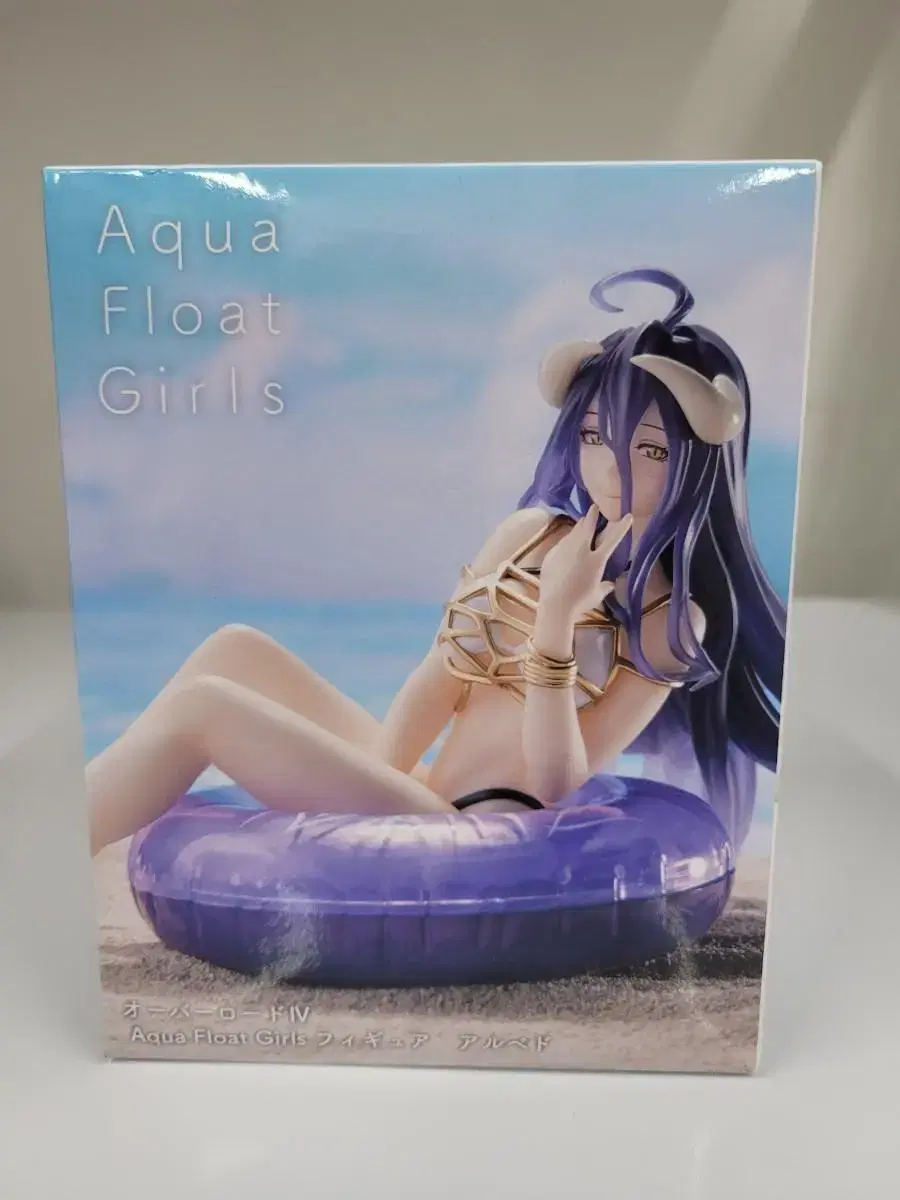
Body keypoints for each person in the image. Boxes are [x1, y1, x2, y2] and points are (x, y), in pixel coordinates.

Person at [87, 267, 784, 858]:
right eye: (596, 436)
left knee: (205, 710)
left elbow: (558, 784)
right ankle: (75, 826)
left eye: (650, 449)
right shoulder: (529, 534)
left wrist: (555, 619)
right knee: (234, 650)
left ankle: (49, 850)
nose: (612, 468)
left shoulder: (668, 617)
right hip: (421, 796)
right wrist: (369, 777)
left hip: (486, 829)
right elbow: (438, 678)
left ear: (695, 463)